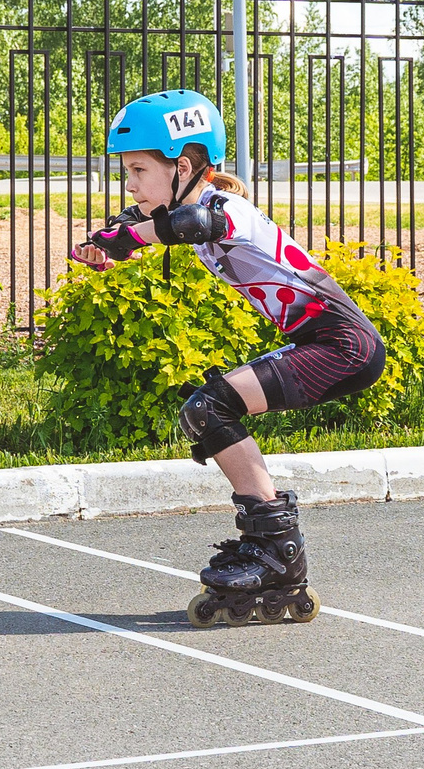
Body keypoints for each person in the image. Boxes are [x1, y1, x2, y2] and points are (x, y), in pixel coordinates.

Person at [69, 88, 389, 627]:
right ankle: (271, 550)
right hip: (317, 340)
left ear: (186, 166)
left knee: (208, 408)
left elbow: (190, 228)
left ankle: (275, 554)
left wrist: (128, 239)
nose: (130, 183)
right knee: (206, 411)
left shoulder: (225, 207)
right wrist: (102, 242)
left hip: (343, 345)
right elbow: (138, 222)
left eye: (139, 170)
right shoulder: (183, 202)